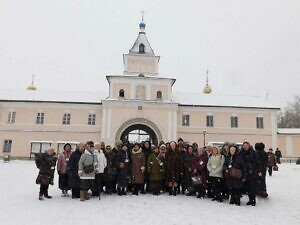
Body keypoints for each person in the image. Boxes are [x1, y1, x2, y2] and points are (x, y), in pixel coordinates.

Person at [239, 141, 262, 206]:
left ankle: (253, 200)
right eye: (244, 145)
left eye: (247, 145)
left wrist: (259, 171)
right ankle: (250, 199)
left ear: (249, 146)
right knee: (247, 187)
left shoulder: (253, 153)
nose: (245, 146)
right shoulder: (241, 153)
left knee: (252, 187)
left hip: (252, 172)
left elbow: (258, 162)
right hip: (245, 172)